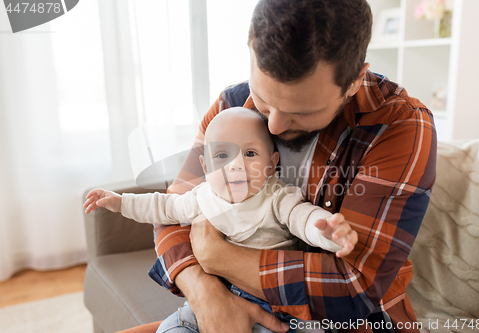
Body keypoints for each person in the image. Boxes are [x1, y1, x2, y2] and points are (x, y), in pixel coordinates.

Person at [119, 0, 437, 332]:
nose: (274, 126)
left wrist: (214, 253)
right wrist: (206, 293)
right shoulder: (230, 106)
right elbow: (173, 212)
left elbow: (352, 290)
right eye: (264, 99)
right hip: (231, 302)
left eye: (301, 112)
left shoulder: (399, 126)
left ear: (354, 80)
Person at [84, 107, 358, 332]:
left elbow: (304, 218)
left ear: (272, 163)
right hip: (214, 303)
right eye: (222, 156)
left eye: (250, 154)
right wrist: (120, 203)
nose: (235, 165)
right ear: (205, 167)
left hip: (279, 312)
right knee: (173, 328)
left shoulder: (277, 197)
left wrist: (329, 232)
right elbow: (162, 206)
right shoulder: (202, 197)